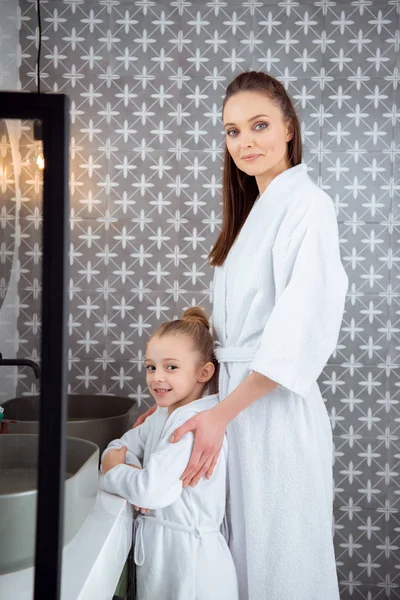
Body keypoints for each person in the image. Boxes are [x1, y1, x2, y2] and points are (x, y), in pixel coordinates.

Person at [134, 71, 348, 600]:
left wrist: (218, 415)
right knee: (238, 561)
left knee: (281, 563)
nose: (245, 142)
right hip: (232, 411)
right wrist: (179, 407)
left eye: (259, 125)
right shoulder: (254, 213)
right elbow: (227, 338)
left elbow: (299, 331)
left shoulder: (308, 205)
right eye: (232, 131)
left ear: (290, 128)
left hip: (272, 416)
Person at [101, 307, 239, 600]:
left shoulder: (191, 425)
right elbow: (119, 447)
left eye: (171, 367)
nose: (156, 377)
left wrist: (115, 473)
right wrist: (134, 473)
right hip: (167, 552)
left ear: (204, 372)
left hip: (191, 566)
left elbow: (151, 492)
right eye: (151, 367)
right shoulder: (162, 415)